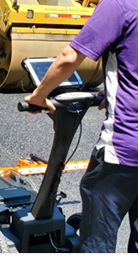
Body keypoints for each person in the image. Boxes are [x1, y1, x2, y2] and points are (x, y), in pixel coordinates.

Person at [24, 0, 138, 253]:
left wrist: (39, 95)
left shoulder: (119, 5)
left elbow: (69, 57)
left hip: (125, 149)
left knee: (98, 239)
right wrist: (111, 94)